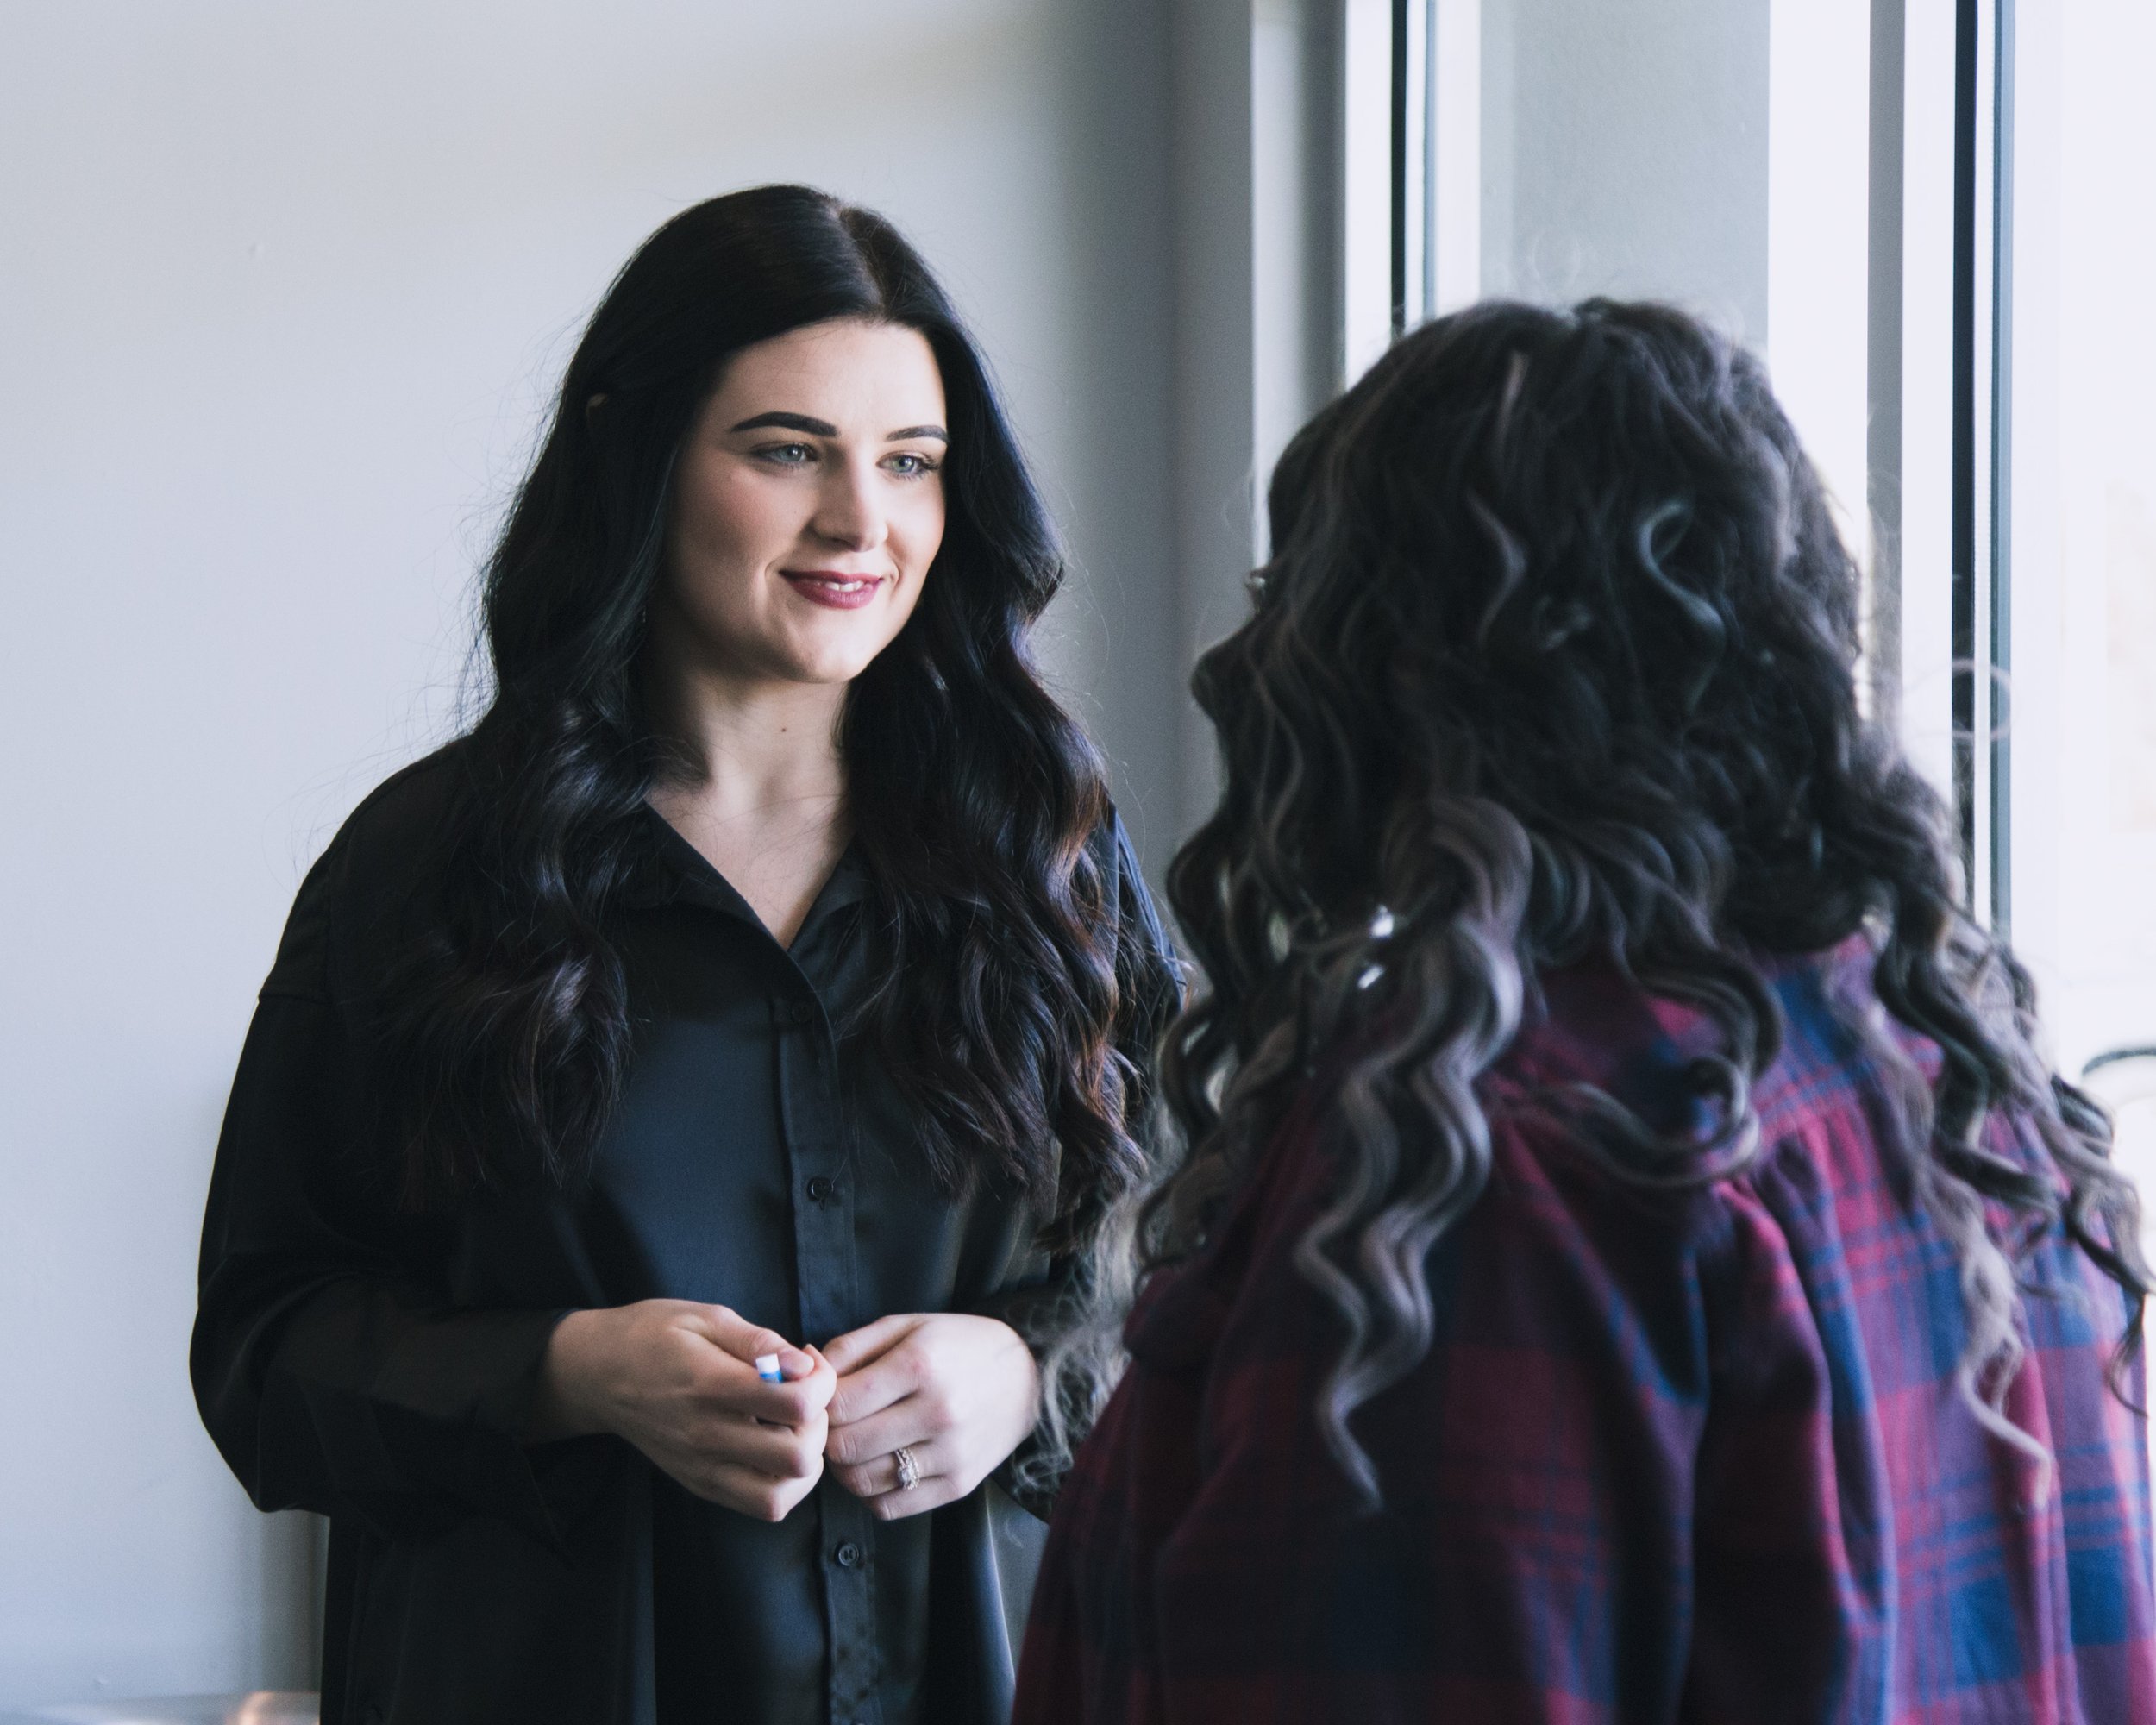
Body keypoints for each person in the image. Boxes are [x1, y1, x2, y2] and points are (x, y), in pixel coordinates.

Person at [1014, 299, 2156, 1722]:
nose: (1241, 663)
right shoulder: (1970, 1097)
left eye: (1294, 592)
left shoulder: (1473, 1170)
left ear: (1407, 667)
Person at [191, 185, 1179, 1725]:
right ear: (640, 458)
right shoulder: (422, 871)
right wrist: (568, 1372)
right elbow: (263, 1356)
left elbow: (1202, 1274)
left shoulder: (1050, 856)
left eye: (910, 462)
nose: (863, 521)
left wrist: (1024, 1376)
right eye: (788, 450)